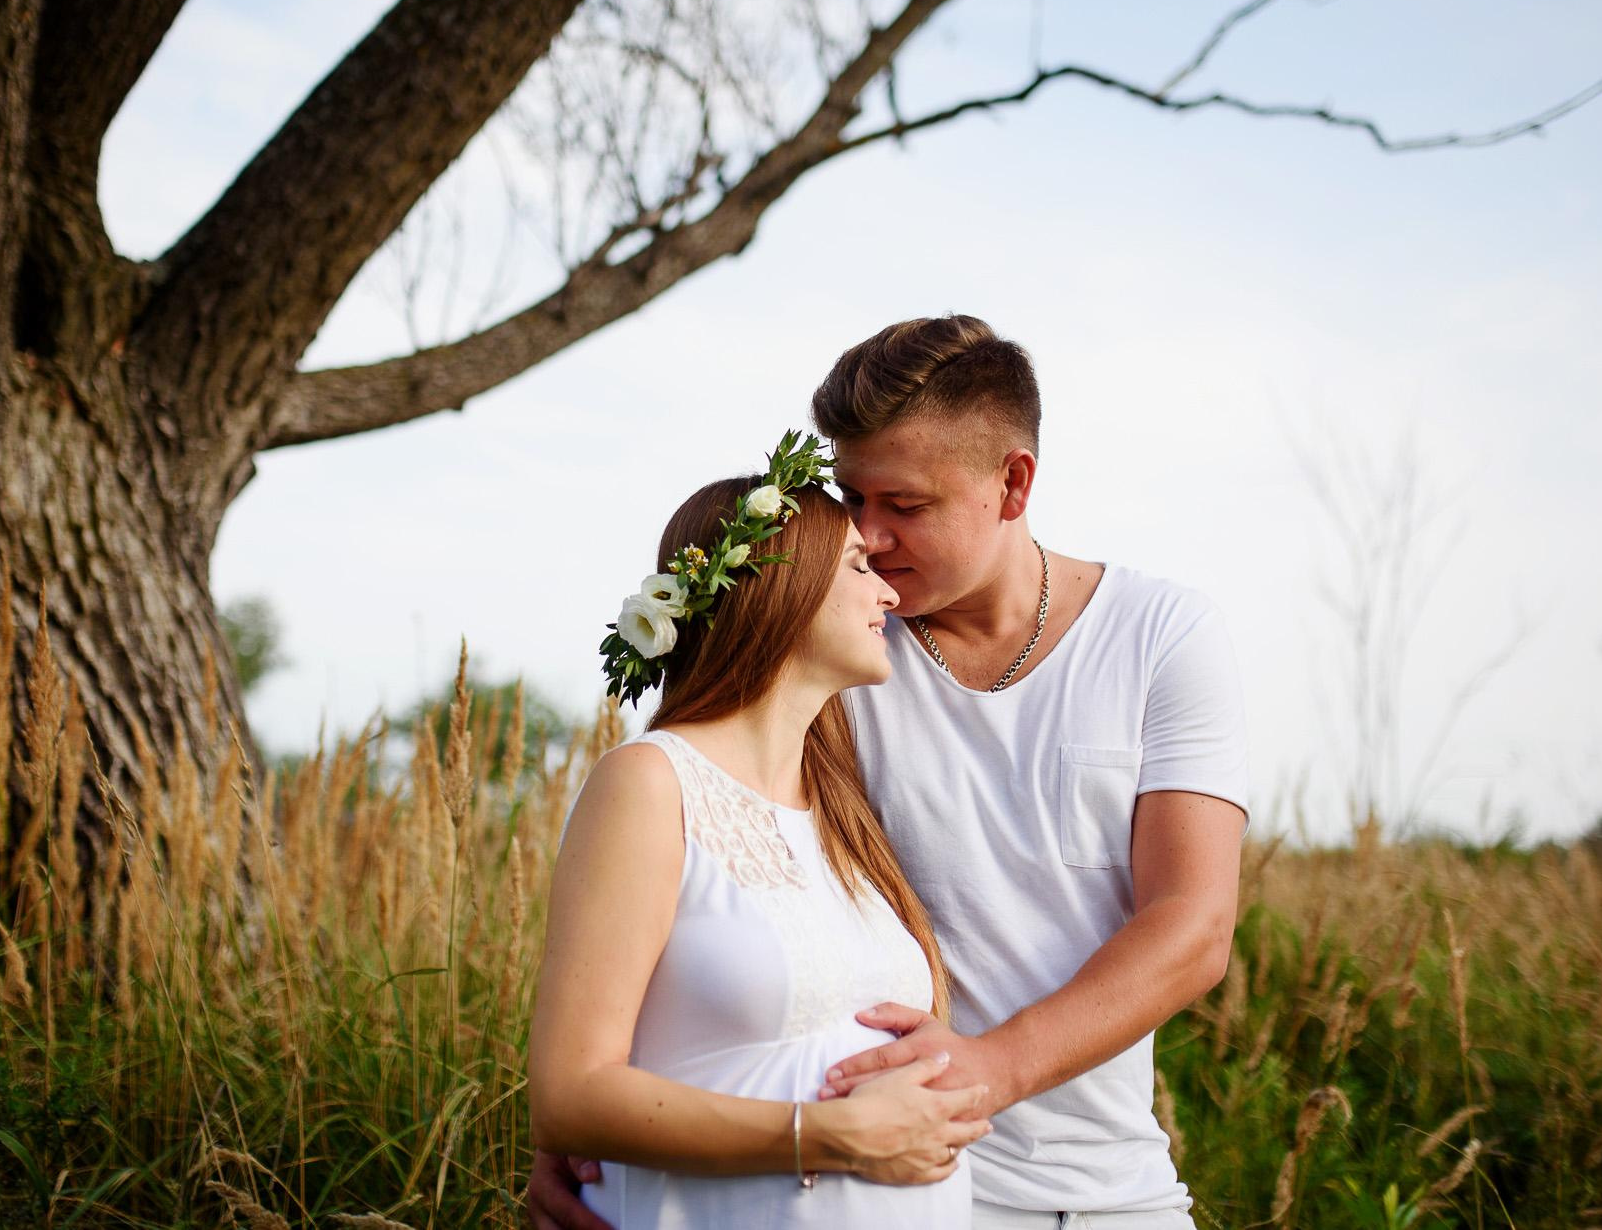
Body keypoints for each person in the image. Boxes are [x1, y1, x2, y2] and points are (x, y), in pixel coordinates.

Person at [528, 316, 1248, 1230]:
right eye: (851, 496)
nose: (867, 534)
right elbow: (691, 870)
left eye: (903, 505)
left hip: (1108, 1187)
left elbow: (1193, 924)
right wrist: (592, 1124)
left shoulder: (1160, 637)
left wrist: (990, 1066)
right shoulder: (843, 653)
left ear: (1012, 483)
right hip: (878, 1193)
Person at [527, 433, 989, 1227]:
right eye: (856, 566)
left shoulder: (846, 812)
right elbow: (570, 1096)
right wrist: (832, 1136)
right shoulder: (649, 784)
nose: (885, 592)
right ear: (779, 586)